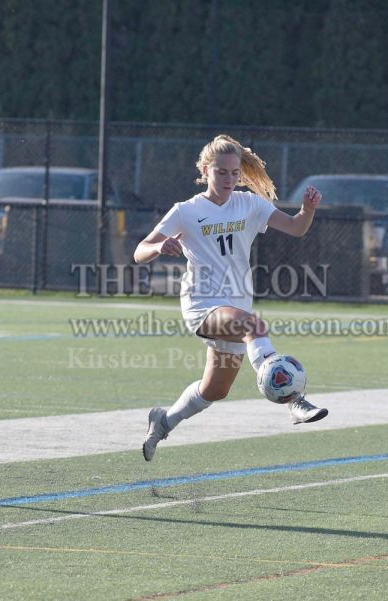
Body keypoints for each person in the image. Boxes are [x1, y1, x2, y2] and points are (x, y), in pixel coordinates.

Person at [134, 134, 328, 462]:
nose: (228, 179)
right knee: (254, 326)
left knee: (215, 390)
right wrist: (157, 247)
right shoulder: (186, 211)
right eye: (221, 172)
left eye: (234, 173)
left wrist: (307, 210)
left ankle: (163, 422)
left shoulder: (249, 204)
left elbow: (296, 228)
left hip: (236, 304)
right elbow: (140, 251)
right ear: (206, 170)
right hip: (202, 304)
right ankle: (295, 401)